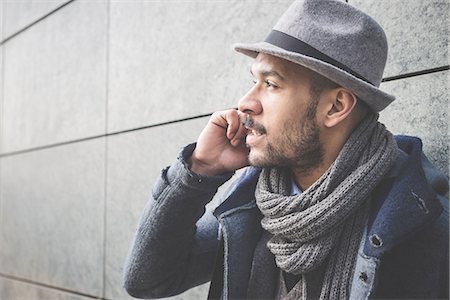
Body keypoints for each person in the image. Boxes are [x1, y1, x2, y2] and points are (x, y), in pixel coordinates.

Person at [123, 0, 449, 299]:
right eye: (254, 80)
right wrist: (199, 171)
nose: (246, 102)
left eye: (271, 84)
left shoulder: (422, 224)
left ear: (336, 106)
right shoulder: (255, 202)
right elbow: (148, 280)